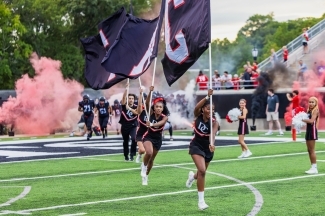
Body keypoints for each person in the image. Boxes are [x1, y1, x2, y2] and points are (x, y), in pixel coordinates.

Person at [185, 89, 218, 211]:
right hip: (196, 145)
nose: (211, 111)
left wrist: (212, 143)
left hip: (208, 147)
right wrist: (207, 96)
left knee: (200, 173)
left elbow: (213, 134)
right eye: (209, 109)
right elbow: (196, 107)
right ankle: (201, 202)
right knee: (202, 171)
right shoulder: (197, 115)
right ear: (204, 109)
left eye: (213, 110)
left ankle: (192, 178)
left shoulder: (215, 122)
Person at [140, 97, 169, 186]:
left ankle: (146, 176)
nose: (158, 108)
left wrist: (151, 124)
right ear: (154, 108)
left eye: (160, 107)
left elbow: (161, 123)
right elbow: (147, 103)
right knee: (149, 152)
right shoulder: (151, 113)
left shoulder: (164, 117)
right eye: (157, 106)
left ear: (163, 109)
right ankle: (144, 167)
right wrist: (149, 91)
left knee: (152, 159)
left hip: (158, 139)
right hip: (148, 136)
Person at [120, 84, 138, 161]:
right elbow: (123, 98)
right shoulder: (124, 105)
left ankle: (132, 154)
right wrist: (126, 89)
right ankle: (126, 155)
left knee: (134, 139)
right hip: (124, 126)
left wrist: (129, 109)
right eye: (129, 98)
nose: (131, 100)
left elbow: (137, 113)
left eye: (132, 98)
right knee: (126, 141)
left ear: (134, 100)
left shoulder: (136, 106)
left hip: (133, 125)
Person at [135, 86, 152, 164]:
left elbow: (148, 103)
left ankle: (145, 163)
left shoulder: (150, 110)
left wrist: (150, 91)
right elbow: (139, 108)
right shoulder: (141, 110)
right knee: (142, 150)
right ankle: (139, 154)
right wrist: (140, 94)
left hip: (148, 134)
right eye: (143, 101)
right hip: (140, 133)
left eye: (145, 100)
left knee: (149, 151)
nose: (144, 102)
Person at [302, 97, 319, 174]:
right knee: (309, 150)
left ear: (316, 103)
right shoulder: (309, 110)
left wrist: (301, 119)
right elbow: (307, 121)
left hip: (312, 131)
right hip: (308, 130)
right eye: (310, 102)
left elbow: (311, 121)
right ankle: (312, 167)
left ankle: (314, 168)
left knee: (312, 150)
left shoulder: (315, 110)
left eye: (312, 102)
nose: (311, 103)